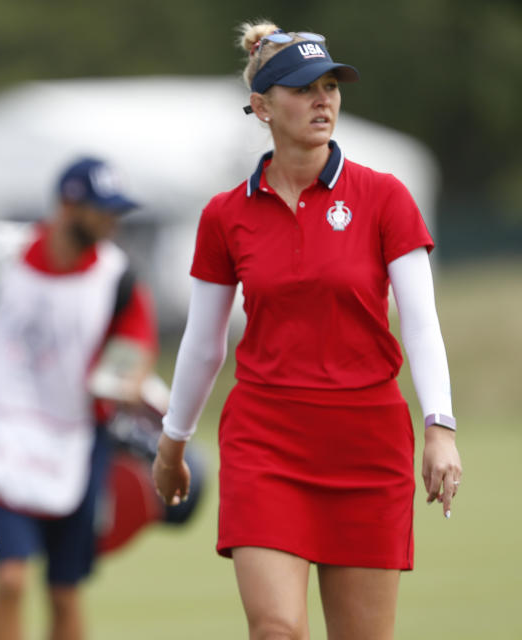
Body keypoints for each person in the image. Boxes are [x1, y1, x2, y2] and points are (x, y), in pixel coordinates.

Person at [152, 22, 463, 640]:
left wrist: (440, 426)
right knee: (276, 629)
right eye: (303, 89)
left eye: (330, 86)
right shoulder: (225, 215)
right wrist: (173, 442)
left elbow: (421, 324)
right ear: (262, 107)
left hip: (366, 445)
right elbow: (204, 343)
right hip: (266, 442)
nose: (323, 100)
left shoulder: (384, 197)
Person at [0, 157, 158, 640]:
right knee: (12, 578)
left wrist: (127, 388)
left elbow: (134, 354)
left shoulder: (118, 276)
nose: (111, 221)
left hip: (77, 442)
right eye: (101, 209)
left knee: (65, 589)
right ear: (66, 206)